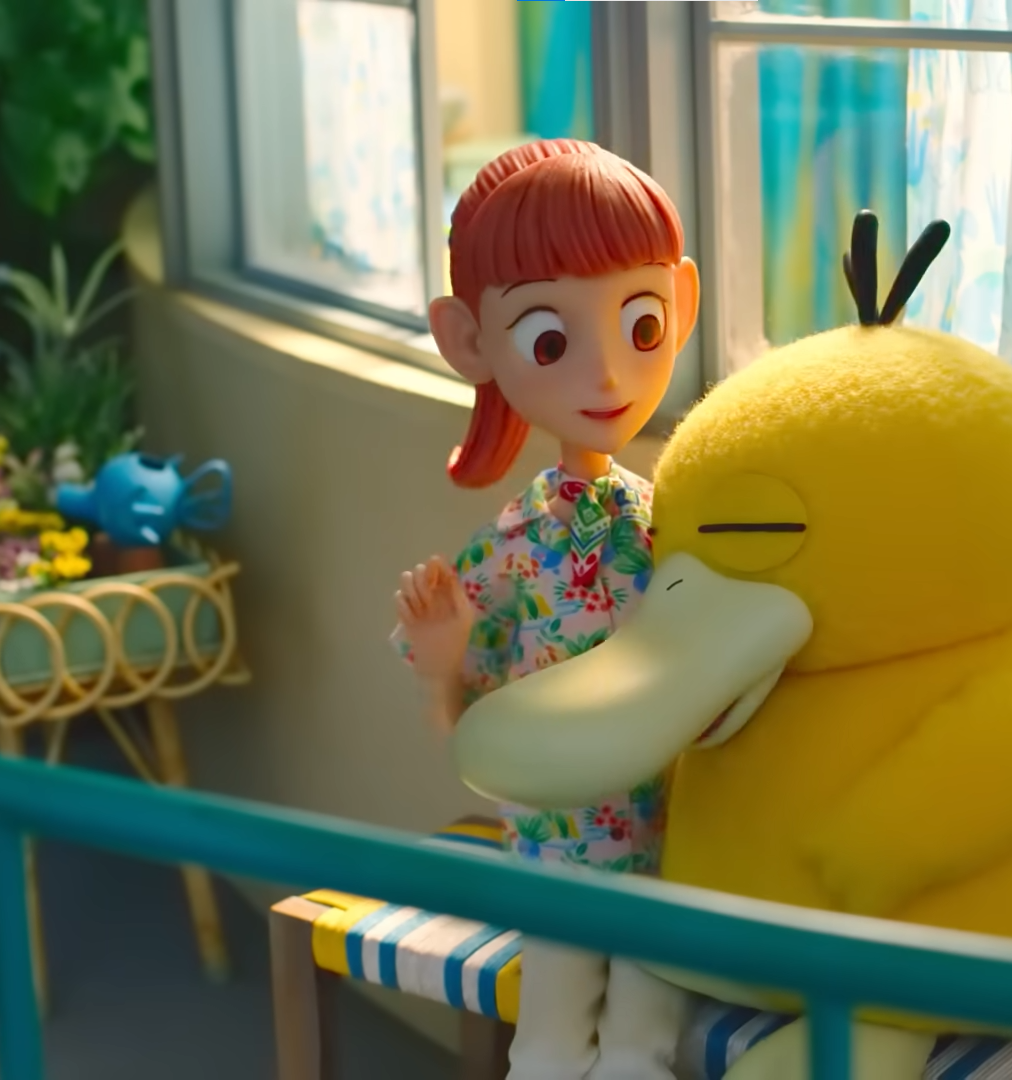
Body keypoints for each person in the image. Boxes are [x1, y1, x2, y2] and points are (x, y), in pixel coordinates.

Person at [391, 139, 701, 1080]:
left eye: (640, 325)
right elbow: (469, 734)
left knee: (644, 1049)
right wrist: (443, 660)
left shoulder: (679, 521)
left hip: (678, 844)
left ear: (681, 304)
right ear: (470, 341)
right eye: (552, 342)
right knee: (551, 1046)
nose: (606, 377)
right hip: (556, 850)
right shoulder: (513, 544)